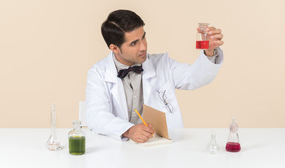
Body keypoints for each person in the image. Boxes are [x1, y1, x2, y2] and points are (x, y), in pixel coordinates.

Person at [86, 9, 224, 143]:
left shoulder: (163, 65)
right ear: (114, 48)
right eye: (134, 43)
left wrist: (209, 52)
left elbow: (196, 78)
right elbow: (96, 115)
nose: (143, 47)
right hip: (119, 148)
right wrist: (128, 130)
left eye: (143, 37)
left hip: (160, 146)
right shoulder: (98, 73)